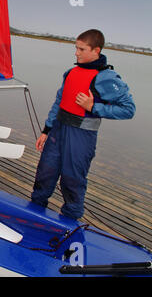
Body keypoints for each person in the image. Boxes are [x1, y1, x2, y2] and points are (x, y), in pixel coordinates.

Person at [31, 29, 135, 220]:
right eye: (76, 48)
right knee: (44, 174)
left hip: (81, 135)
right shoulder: (71, 72)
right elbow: (59, 102)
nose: (76, 53)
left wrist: (93, 106)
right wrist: (46, 130)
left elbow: (128, 109)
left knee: (72, 180)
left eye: (81, 49)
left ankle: (70, 222)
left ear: (96, 50)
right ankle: (33, 214)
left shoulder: (107, 78)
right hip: (58, 130)